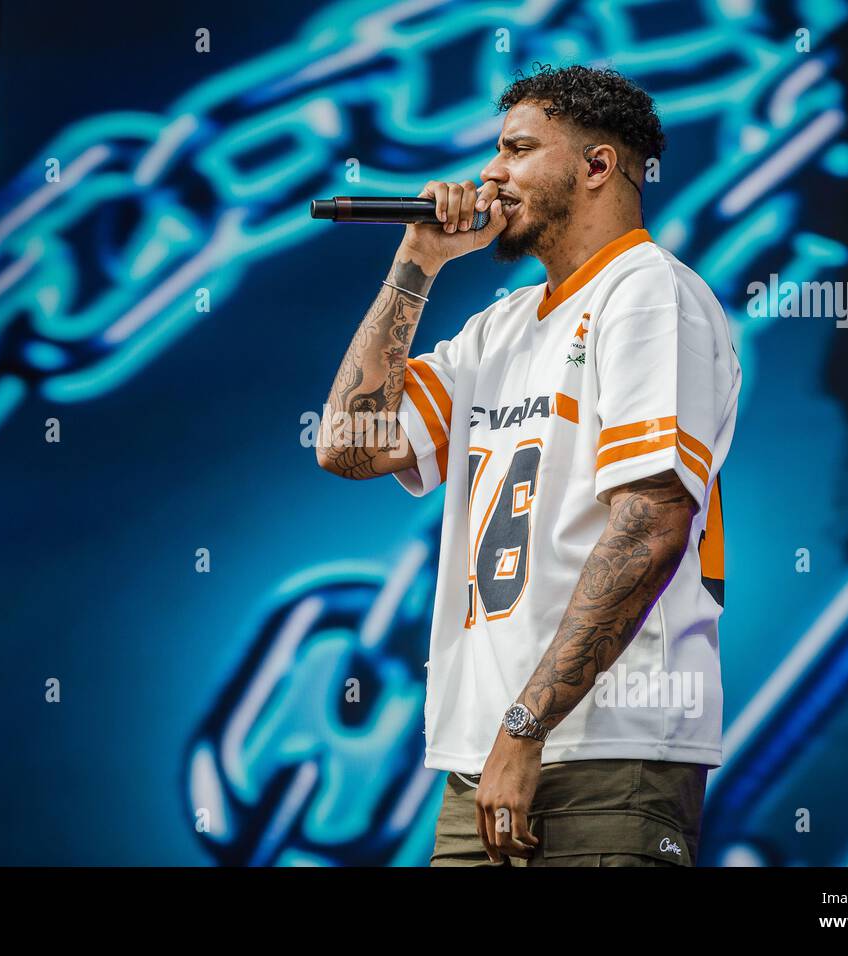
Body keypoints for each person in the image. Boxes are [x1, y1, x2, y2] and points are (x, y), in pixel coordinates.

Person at [316, 63, 740, 867]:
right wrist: (417, 263)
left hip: (608, 751)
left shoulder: (648, 293)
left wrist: (526, 727)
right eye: (493, 153)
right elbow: (346, 444)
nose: (491, 173)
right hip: (484, 764)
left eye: (516, 150)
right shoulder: (499, 327)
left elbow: (650, 522)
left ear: (596, 166)